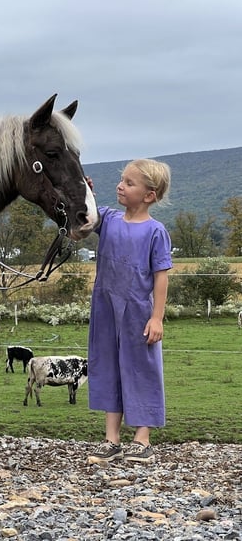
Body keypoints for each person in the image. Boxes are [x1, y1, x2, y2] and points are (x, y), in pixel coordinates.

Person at [86, 158, 172, 465]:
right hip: (105, 309)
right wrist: (89, 197)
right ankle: (111, 440)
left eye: (129, 183)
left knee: (141, 370)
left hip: (138, 312)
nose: (121, 186)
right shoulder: (107, 218)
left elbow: (161, 275)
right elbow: (83, 222)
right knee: (108, 366)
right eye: (122, 180)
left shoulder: (155, 231)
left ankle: (142, 439)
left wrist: (157, 317)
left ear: (149, 195)